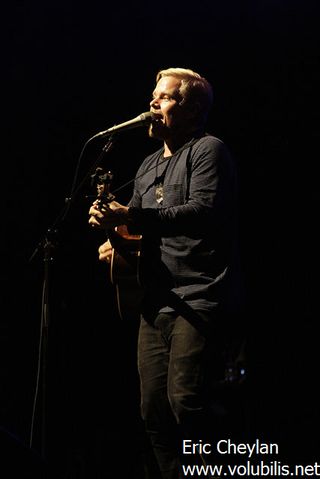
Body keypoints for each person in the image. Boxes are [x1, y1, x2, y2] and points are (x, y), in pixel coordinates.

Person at [88, 67, 245, 479]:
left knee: (186, 404)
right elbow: (142, 236)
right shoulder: (146, 166)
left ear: (193, 110)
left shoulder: (208, 151)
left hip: (198, 297)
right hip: (155, 303)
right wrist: (113, 235)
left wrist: (131, 214)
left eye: (166, 97)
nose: (153, 104)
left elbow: (203, 213)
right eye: (153, 96)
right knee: (152, 412)